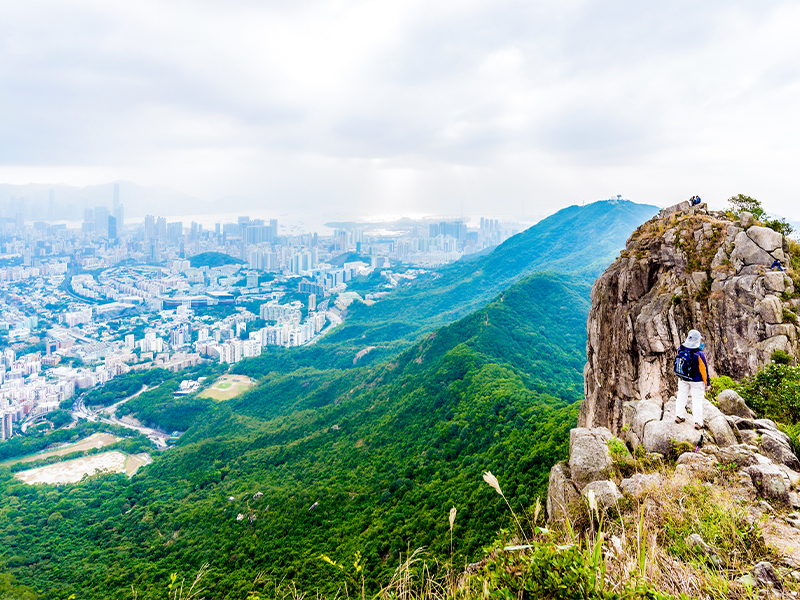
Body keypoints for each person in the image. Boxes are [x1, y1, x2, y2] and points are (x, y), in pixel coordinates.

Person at [674, 329, 710, 430]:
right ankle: (698, 423)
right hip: (696, 381)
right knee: (697, 401)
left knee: (681, 395)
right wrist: (707, 383)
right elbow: (704, 370)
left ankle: (679, 416)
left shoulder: (681, 348)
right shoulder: (699, 353)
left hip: (683, 377)